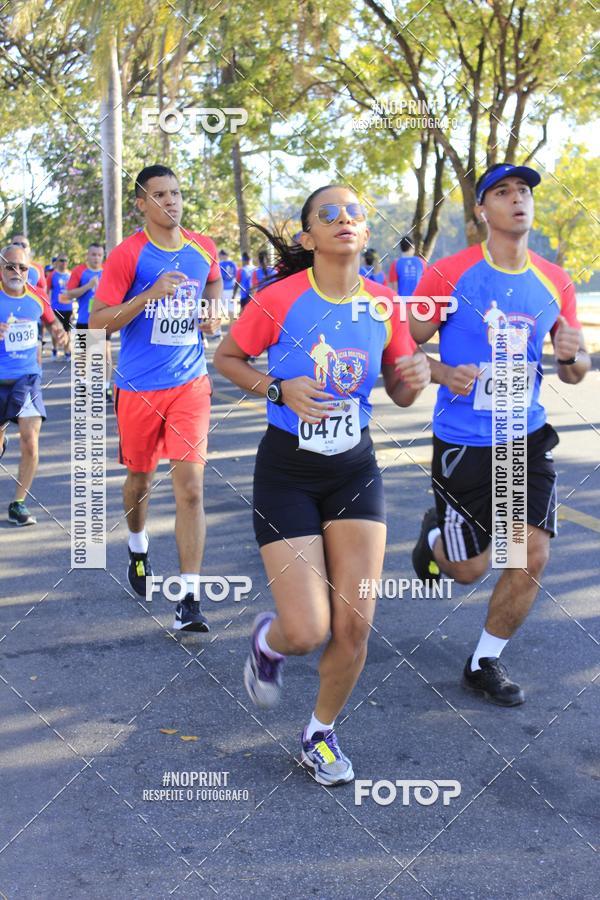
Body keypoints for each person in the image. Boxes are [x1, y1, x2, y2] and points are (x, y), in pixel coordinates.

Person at [214, 184, 430, 785]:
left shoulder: (386, 303)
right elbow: (227, 359)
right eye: (327, 214)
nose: (343, 220)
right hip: (287, 470)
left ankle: (320, 732)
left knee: (355, 623)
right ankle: (269, 639)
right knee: (308, 630)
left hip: (354, 470)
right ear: (307, 238)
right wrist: (279, 389)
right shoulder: (280, 299)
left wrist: (415, 375)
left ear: (365, 232)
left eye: (353, 213)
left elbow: (403, 388)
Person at [409, 162, 591, 707]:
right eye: (504, 192)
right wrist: (441, 373)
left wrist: (574, 356)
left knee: (529, 553)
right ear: (482, 211)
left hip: (525, 440)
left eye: (524, 192)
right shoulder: (448, 274)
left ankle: (483, 660)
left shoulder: (554, 280)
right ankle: (435, 539)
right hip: (464, 440)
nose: (518, 200)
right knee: (467, 571)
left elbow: (574, 368)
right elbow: (400, 343)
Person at [90, 164, 222, 631]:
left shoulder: (201, 246)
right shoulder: (129, 255)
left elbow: (212, 278)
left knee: (190, 489)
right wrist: (148, 294)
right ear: (141, 204)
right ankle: (139, 543)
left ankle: (189, 598)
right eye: (160, 195)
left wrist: (212, 310)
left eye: (176, 193)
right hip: (139, 389)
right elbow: (98, 322)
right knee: (139, 483)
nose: (171, 201)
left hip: (191, 385)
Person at [0, 245, 67, 525]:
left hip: (27, 378)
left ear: (31, 270)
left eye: (23, 267)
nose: (17, 272)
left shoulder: (38, 296)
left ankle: (18, 503)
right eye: (10, 267)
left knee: (30, 440)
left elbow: (54, 325)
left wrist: (60, 334)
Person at [64, 243, 113, 401]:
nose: (96, 258)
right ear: (87, 255)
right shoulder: (80, 271)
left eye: (99, 255)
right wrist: (88, 286)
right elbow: (70, 294)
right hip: (85, 319)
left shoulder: (108, 270)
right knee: (84, 356)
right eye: (93, 254)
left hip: (104, 318)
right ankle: (83, 385)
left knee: (105, 354)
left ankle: (105, 388)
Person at [46, 253, 72, 358]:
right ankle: (55, 348)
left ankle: (67, 351)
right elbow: (47, 291)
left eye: (65, 260)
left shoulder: (71, 274)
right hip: (55, 308)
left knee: (67, 330)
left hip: (68, 308)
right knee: (56, 330)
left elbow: (75, 290)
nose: (64, 263)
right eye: (61, 260)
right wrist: (47, 306)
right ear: (56, 262)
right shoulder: (52, 275)